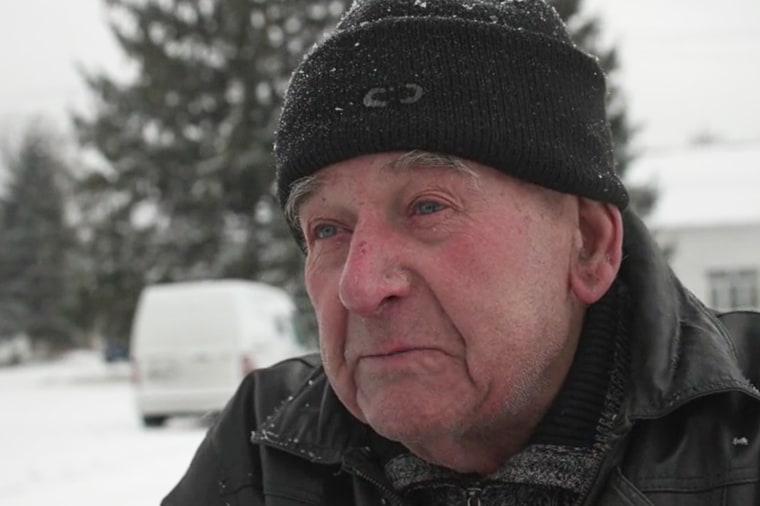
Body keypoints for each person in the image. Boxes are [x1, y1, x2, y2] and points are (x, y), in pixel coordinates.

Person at [162, 0, 760, 504]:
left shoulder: (742, 434)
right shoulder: (266, 450)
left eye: (427, 207)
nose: (360, 286)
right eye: (327, 230)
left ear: (589, 246)